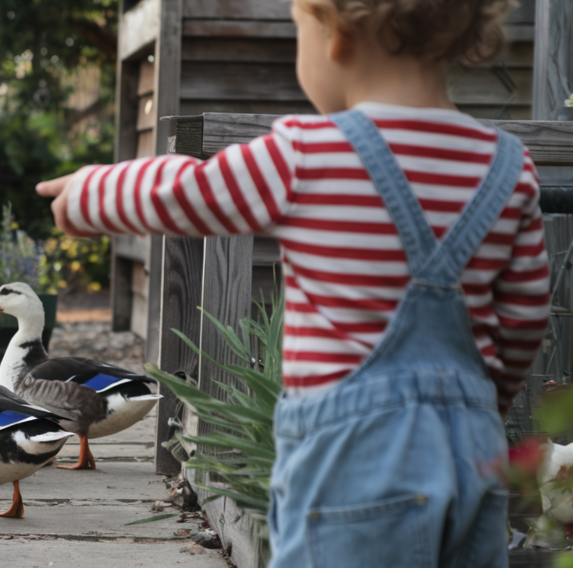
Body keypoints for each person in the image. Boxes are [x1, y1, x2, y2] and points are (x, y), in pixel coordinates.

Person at [36, 0, 550, 565]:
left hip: (351, 460)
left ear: (336, 36)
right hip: (471, 454)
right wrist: (478, 407)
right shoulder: (509, 166)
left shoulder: (311, 153)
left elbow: (192, 190)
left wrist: (87, 194)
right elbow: (524, 321)